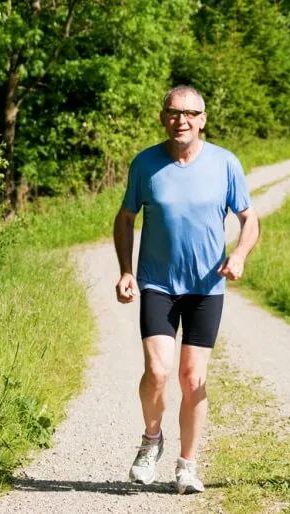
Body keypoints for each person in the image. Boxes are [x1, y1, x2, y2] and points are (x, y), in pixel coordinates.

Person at [113, 85, 260, 494]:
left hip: (206, 287)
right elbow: (125, 219)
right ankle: (151, 440)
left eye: (190, 113)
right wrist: (126, 271)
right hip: (158, 283)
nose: (182, 120)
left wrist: (241, 254)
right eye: (174, 113)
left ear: (203, 119)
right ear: (163, 118)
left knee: (192, 379)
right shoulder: (145, 164)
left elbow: (250, 219)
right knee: (158, 372)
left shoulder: (225, 163)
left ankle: (188, 465)